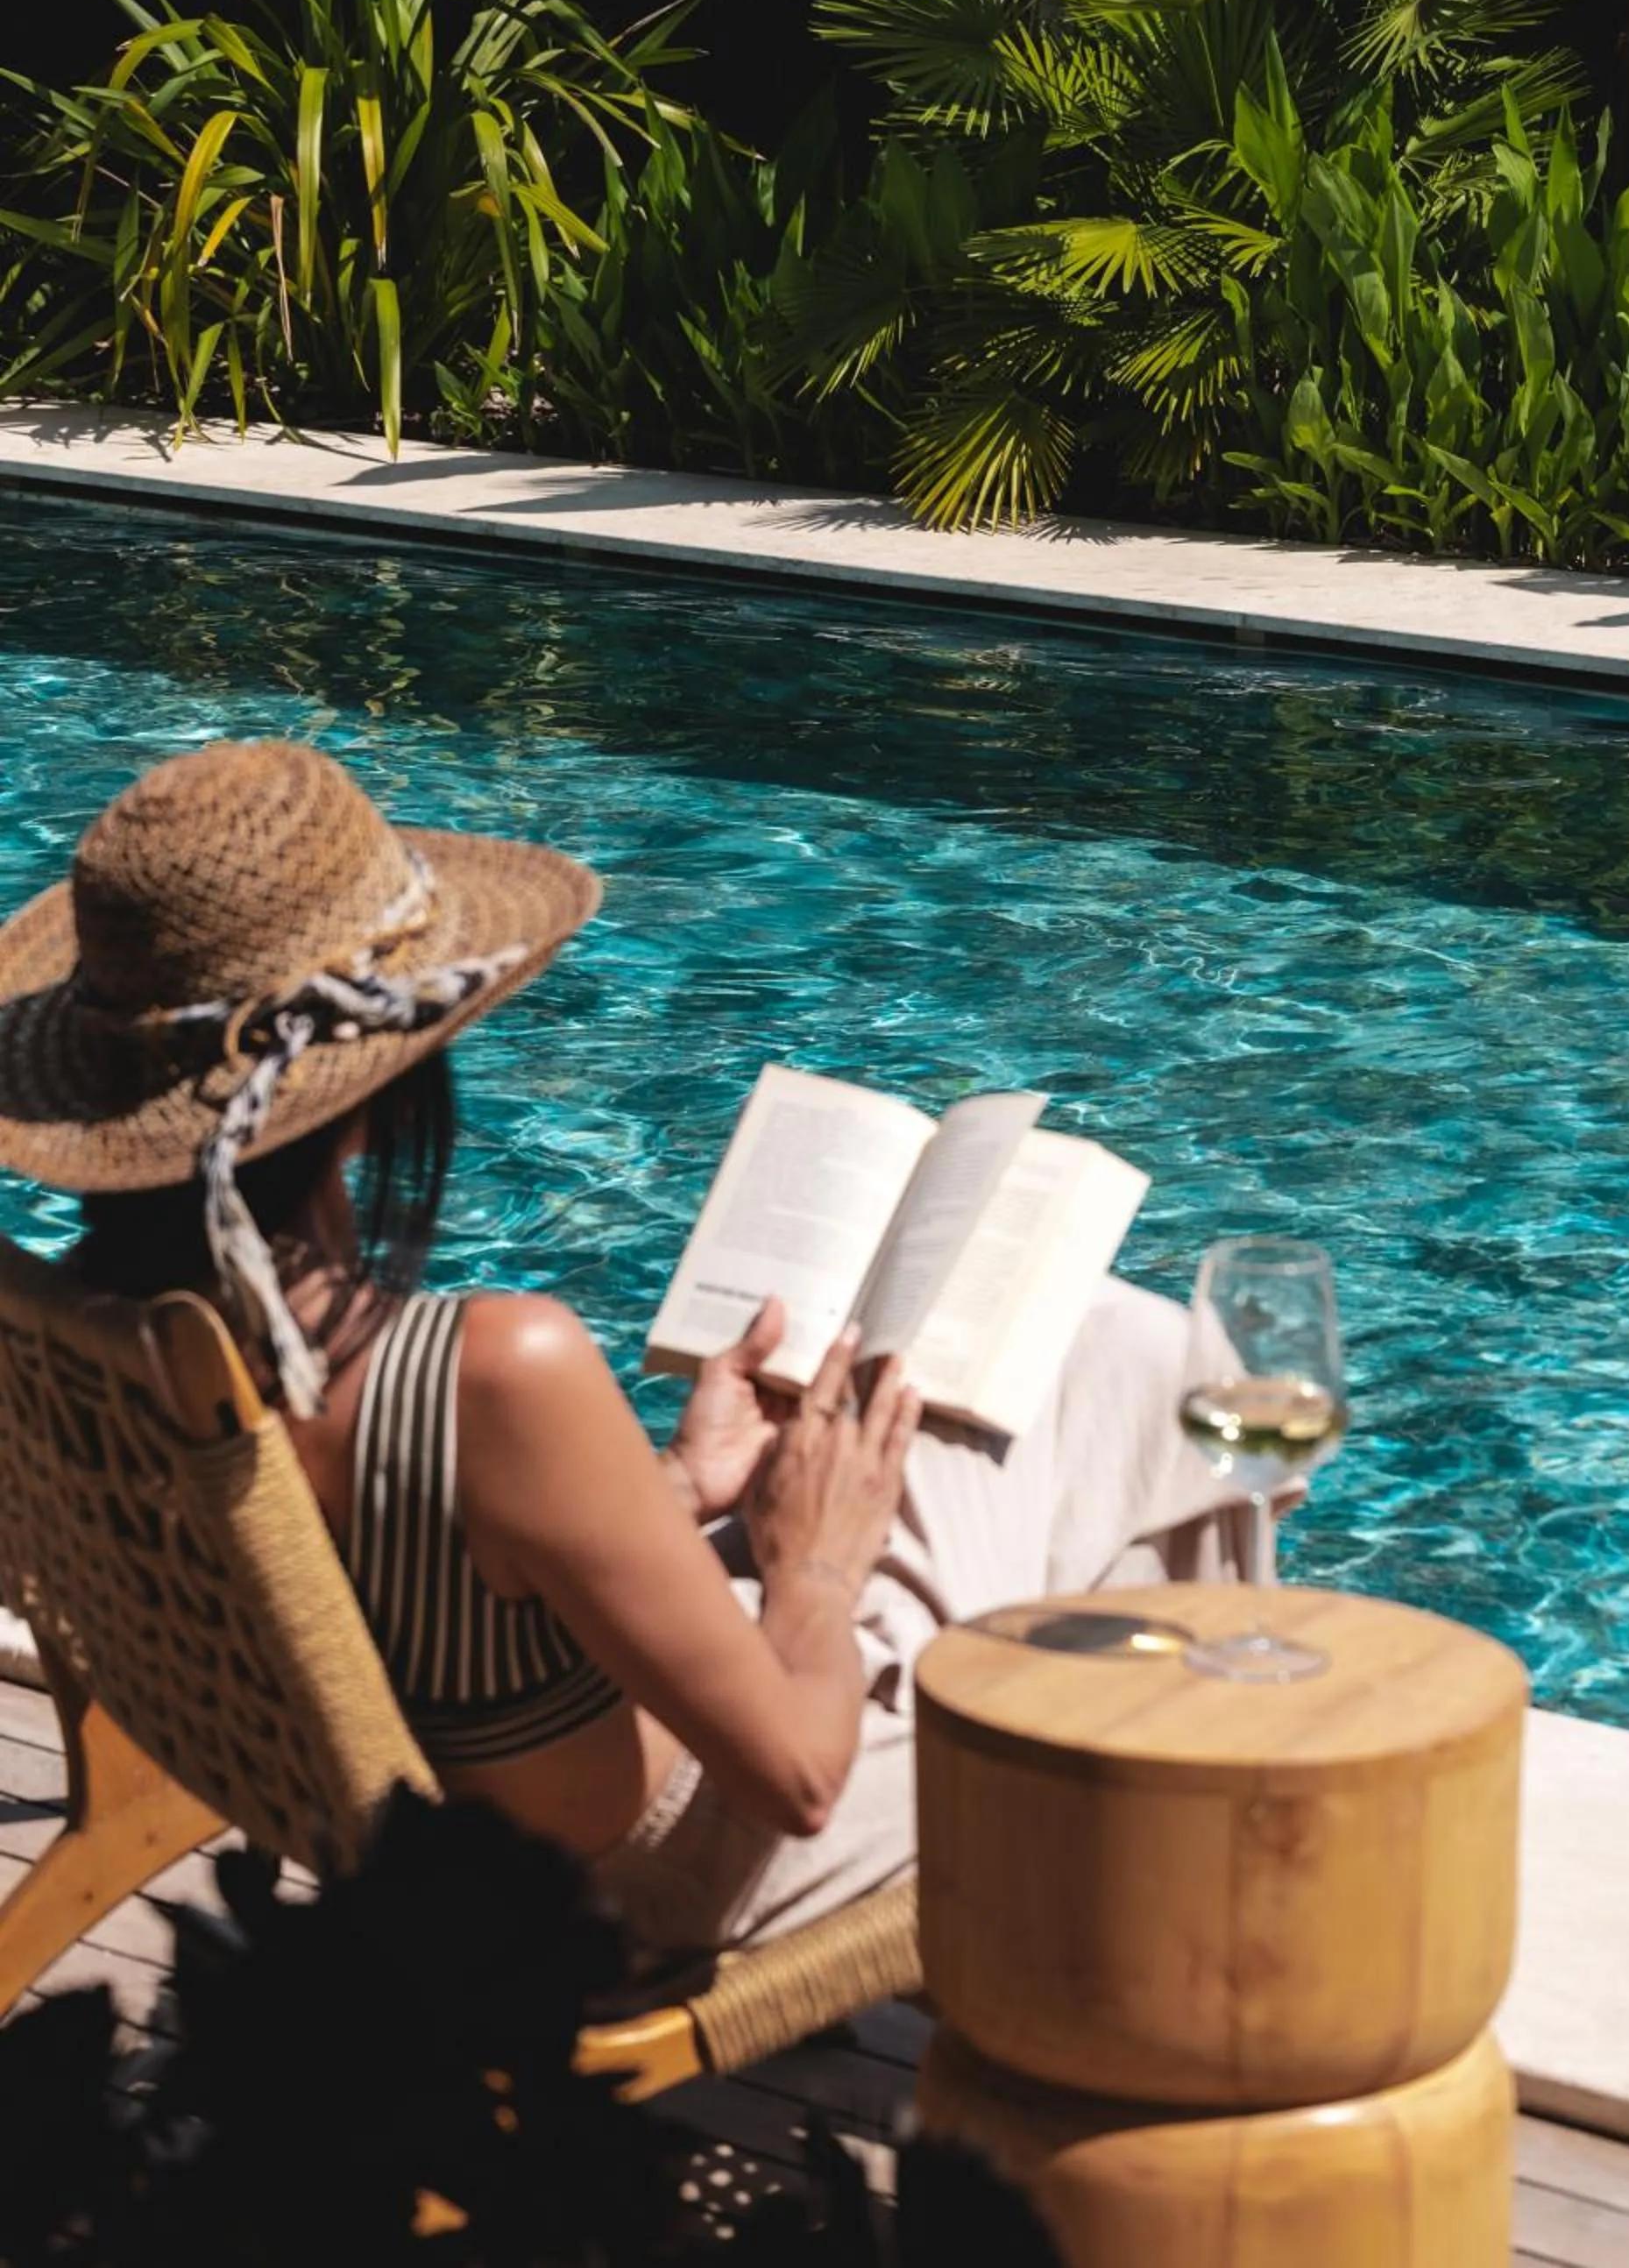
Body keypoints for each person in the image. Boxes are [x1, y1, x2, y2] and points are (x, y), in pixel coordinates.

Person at [0, 741, 1248, 1954]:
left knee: (1082, 1352)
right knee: (1149, 1372)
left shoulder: (82, 1339)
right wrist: (814, 1563)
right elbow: (799, 1780)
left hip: (478, 1809)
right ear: (370, 1096)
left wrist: (676, 1484)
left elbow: (403, 1580)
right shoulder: (490, 1372)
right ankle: (1209, 1926)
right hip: (663, 1863)